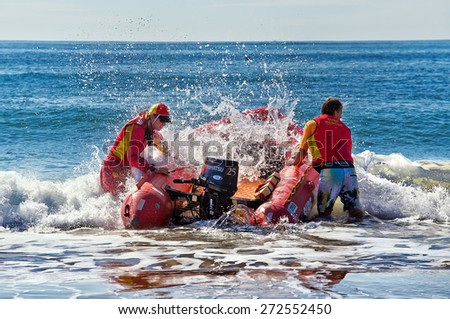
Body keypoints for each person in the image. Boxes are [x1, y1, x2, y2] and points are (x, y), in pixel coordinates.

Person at [290, 97, 364, 218]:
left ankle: (326, 234)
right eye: (340, 112)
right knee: (355, 212)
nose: (340, 116)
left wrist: (292, 164)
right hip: (349, 170)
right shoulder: (345, 128)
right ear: (335, 111)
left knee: (324, 214)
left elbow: (302, 152)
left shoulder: (313, 123)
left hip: (331, 170)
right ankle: (368, 229)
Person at [100, 103, 172, 195]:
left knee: (125, 196)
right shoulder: (137, 128)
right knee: (117, 201)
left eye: (166, 121)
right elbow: (133, 158)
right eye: (162, 120)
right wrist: (153, 169)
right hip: (112, 170)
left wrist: (173, 156)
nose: (164, 124)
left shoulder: (150, 127)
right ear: (153, 117)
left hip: (124, 169)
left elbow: (161, 145)